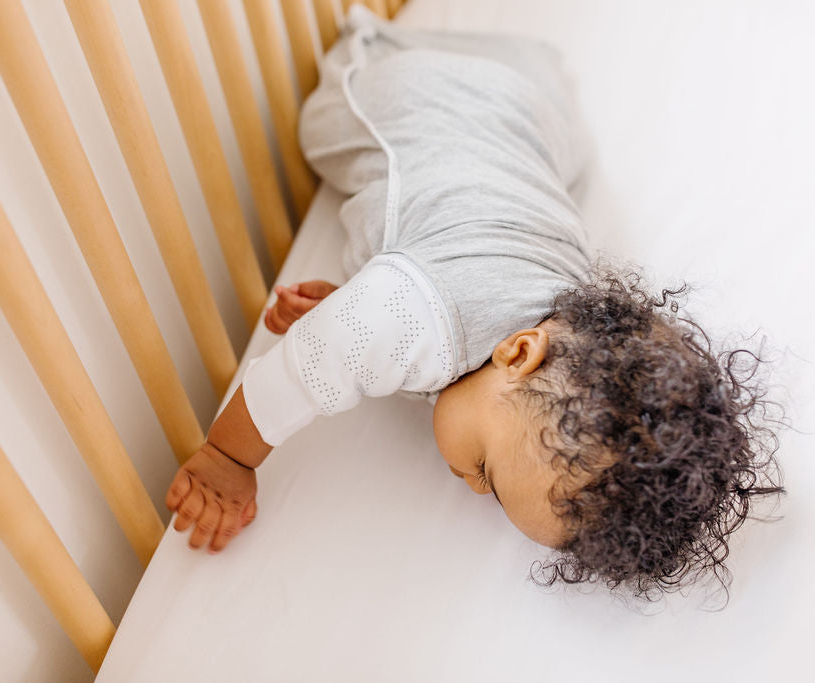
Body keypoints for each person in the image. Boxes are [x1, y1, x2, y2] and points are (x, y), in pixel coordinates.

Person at [165, 7, 783, 599]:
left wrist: (357, 312)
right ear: (517, 353)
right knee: (321, 131)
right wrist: (227, 457)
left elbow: (423, 295)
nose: (471, 486)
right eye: (487, 468)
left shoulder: (569, 308)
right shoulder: (423, 323)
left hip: (521, 115)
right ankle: (380, 55)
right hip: (413, 100)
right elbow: (311, 363)